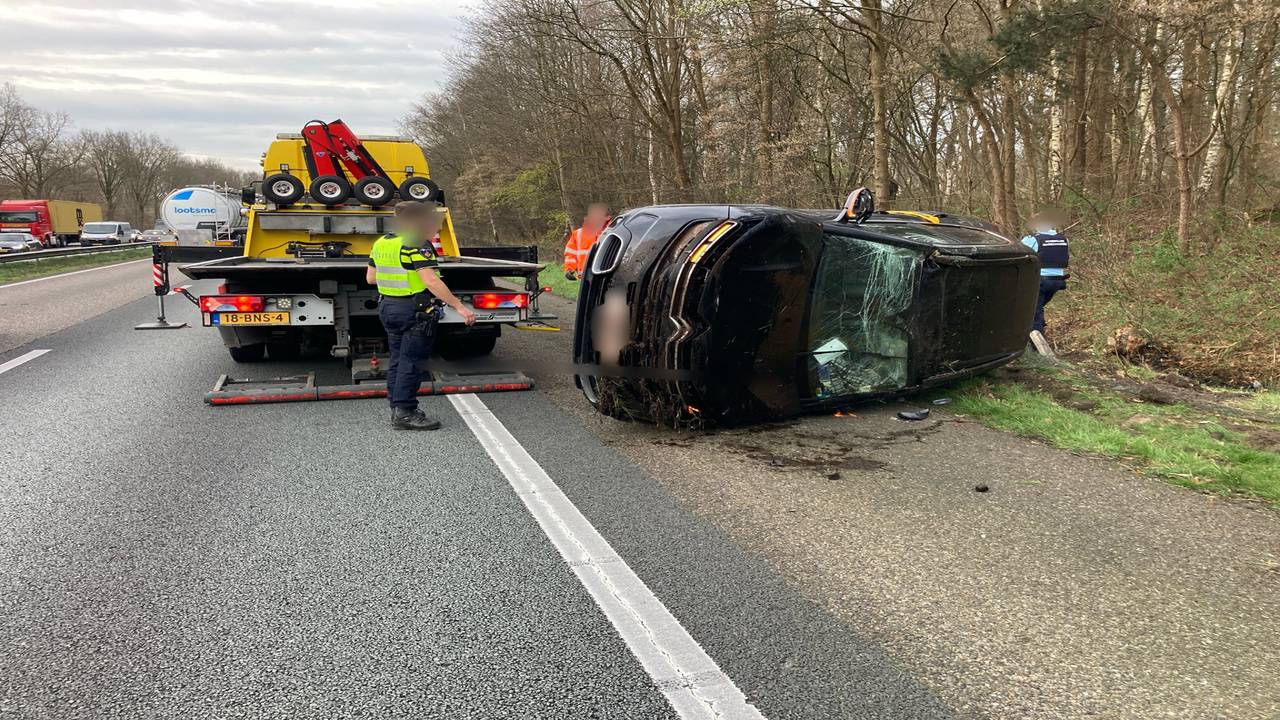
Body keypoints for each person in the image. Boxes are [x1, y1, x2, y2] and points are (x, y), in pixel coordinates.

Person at [366, 201, 476, 430]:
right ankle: (405, 413)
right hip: (413, 310)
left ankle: (397, 406)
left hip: (388, 306)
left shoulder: (382, 242)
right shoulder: (416, 243)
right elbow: (430, 280)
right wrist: (460, 307)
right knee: (412, 362)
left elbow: (371, 278)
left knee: (397, 358)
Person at [1020, 210, 1070, 337]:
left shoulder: (1032, 240)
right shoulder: (1063, 239)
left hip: (1040, 281)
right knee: (1038, 307)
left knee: (1033, 310)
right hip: (1058, 281)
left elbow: (1019, 253)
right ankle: (1040, 329)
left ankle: (1037, 344)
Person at [563, 203, 611, 280]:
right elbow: (571, 254)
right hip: (585, 278)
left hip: (607, 277)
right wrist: (569, 269)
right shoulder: (578, 234)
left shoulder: (613, 232)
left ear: (607, 217)